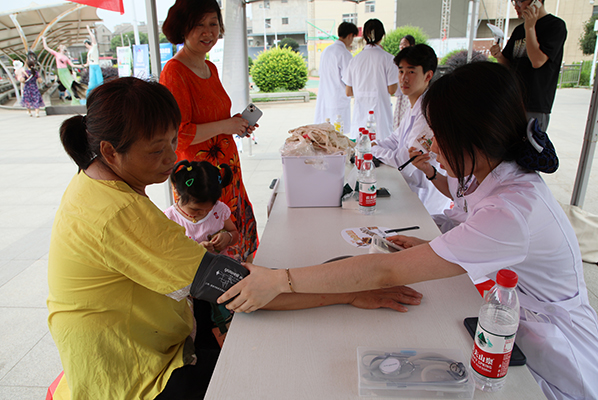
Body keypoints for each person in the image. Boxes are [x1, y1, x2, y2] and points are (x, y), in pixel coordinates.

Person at [219, 62, 598, 400]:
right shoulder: (498, 174)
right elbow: (472, 220)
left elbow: (384, 271)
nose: (432, 146)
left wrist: (281, 279)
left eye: (438, 135)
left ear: (471, 136)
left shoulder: (511, 210)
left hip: (551, 351)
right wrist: (438, 246)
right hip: (507, 317)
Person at [47, 76, 422, 399]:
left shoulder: (96, 182)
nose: (170, 158)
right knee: (280, 374)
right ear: (110, 151)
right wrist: (348, 291)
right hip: (136, 376)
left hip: (144, 344)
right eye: (157, 150)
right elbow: (242, 289)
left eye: (173, 142)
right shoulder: (120, 212)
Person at [160, 0, 259, 262]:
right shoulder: (174, 72)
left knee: (234, 233)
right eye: (199, 25)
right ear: (183, 28)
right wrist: (226, 125)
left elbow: (214, 119)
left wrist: (236, 122)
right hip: (198, 178)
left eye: (213, 24)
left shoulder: (210, 67)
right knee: (208, 246)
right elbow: (178, 134)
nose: (208, 32)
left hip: (226, 169)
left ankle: (243, 279)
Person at [372, 44, 451, 217]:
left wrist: (375, 150)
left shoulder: (429, 113)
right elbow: (394, 139)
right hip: (408, 189)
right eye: (401, 71)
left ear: (428, 75)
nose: (404, 78)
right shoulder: (414, 105)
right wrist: (376, 146)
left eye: (411, 72)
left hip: (424, 198)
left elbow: (406, 160)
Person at [490, 0, 566, 131]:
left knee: (529, 143)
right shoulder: (519, 30)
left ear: (537, 2)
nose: (517, 6)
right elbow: (508, 66)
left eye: (520, 1)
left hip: (534, 106)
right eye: (514, 2)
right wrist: (499, 56)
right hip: (513, 101)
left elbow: (537, 61)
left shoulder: (555, 26)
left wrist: (530, 28)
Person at [165, 160, 240, 259]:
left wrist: (228, 237)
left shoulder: (219, 210)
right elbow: (168, 252)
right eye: (195, 209)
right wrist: (195, 250)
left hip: (219, 265)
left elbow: (234, 233)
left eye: (209, 208)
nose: (203, 212)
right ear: (178, 192)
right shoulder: (169, 218)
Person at [343, 19, 398, 141]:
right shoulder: (389, 59)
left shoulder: (355, 60)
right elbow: (392, 90)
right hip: (381, 118)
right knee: (382, 149)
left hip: (360, 118)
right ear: (382, 35)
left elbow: (348, 92)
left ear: (364, 37)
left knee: (361, 149)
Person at [313, 22, 358, 132]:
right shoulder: (345, 54)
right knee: (339, 134)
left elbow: (321, 73)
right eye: (353, 37)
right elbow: (349, 80)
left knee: (325, 134)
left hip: (324, 98)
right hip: (338, 101)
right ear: (350, 35)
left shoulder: (326, 51)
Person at [42, 36, 85, 105]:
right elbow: (46, 48)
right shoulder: (57, 54)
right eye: (63, 48)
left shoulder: (66, 57)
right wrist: (44, 40)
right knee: (68, 85)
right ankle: (74, 99)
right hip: (61, 71)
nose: (64, 49)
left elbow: (72, 65)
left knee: (72, 84)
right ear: (60, 49)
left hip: (66, 71)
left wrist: (82, 65)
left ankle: (75, 99)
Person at [392, 34, 415, 131]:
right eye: (401, 72)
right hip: (402, 96)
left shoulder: (415, 61)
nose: (402, 46)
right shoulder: (398, 61)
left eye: (404, 44)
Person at [84, 24, 104, 96]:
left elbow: (93, 38)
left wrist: (88, 30)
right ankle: (89, 96)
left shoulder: (94, 48)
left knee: (100, 82)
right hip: (91, 66)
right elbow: (87, 63)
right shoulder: (89, 52)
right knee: (91, 84)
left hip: (95, 65)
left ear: (86, 43)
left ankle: (101, 94)